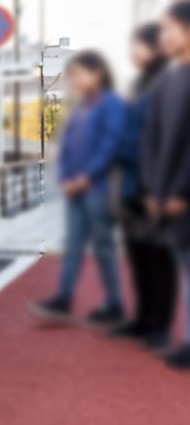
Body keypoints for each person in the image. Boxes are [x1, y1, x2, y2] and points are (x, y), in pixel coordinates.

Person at [30, 51, 126, 326]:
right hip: (75, 191)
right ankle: (63, 299)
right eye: (72, 75)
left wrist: (85, 177)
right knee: (73, 246)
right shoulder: (81, 108)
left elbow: (111, 145)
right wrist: (65, 178)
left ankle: (115, 302)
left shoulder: (112, 105)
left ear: (98, 73)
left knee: (104, 247)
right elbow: (67, 147)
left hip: (98, 189)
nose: (74, 80)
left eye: (79, 74)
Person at [110, 23, 175, 350]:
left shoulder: (169, 82)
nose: (133, 52)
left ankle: (160, 325)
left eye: (139, 45)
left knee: (160, 259)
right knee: (139, 256)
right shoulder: (139, 84)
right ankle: (143, 317)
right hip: (132, 186)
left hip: (154, 187)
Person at [142, 0, 190, 368]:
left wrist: (181, 192)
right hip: (168, 195)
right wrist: (155, 190)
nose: (163, 37)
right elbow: (152, 138)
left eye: (169, 29)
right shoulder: (169, 80)